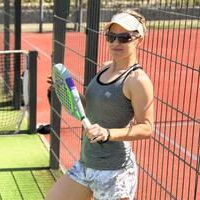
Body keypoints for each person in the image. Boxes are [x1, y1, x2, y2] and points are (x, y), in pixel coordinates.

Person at [45, 9, 154, 200]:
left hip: (115, 172)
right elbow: (92, 107)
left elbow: (147, 128)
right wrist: (66, 92)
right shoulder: (105, 69)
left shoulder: (137, 80)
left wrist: (108, 133)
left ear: (139, 40)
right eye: (111, 37)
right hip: (87, 164)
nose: (115, 43)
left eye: (124, 38)